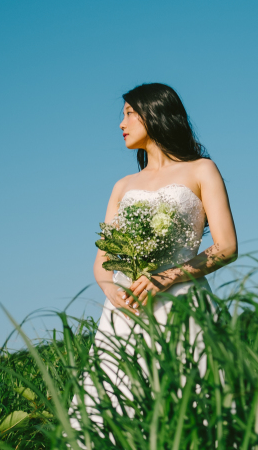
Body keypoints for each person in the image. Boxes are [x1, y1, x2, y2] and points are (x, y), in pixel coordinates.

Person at [68, 83, 237, 439]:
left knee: (193, 413)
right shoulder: (123, 185)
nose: (121, 123)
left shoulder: (202, 170)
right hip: (126, 311)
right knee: (117, 414)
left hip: (182, 305)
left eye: (129, 113)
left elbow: (226, 247)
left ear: (155, 114)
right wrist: (111, 290)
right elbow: (103, 261)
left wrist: (170, 276)